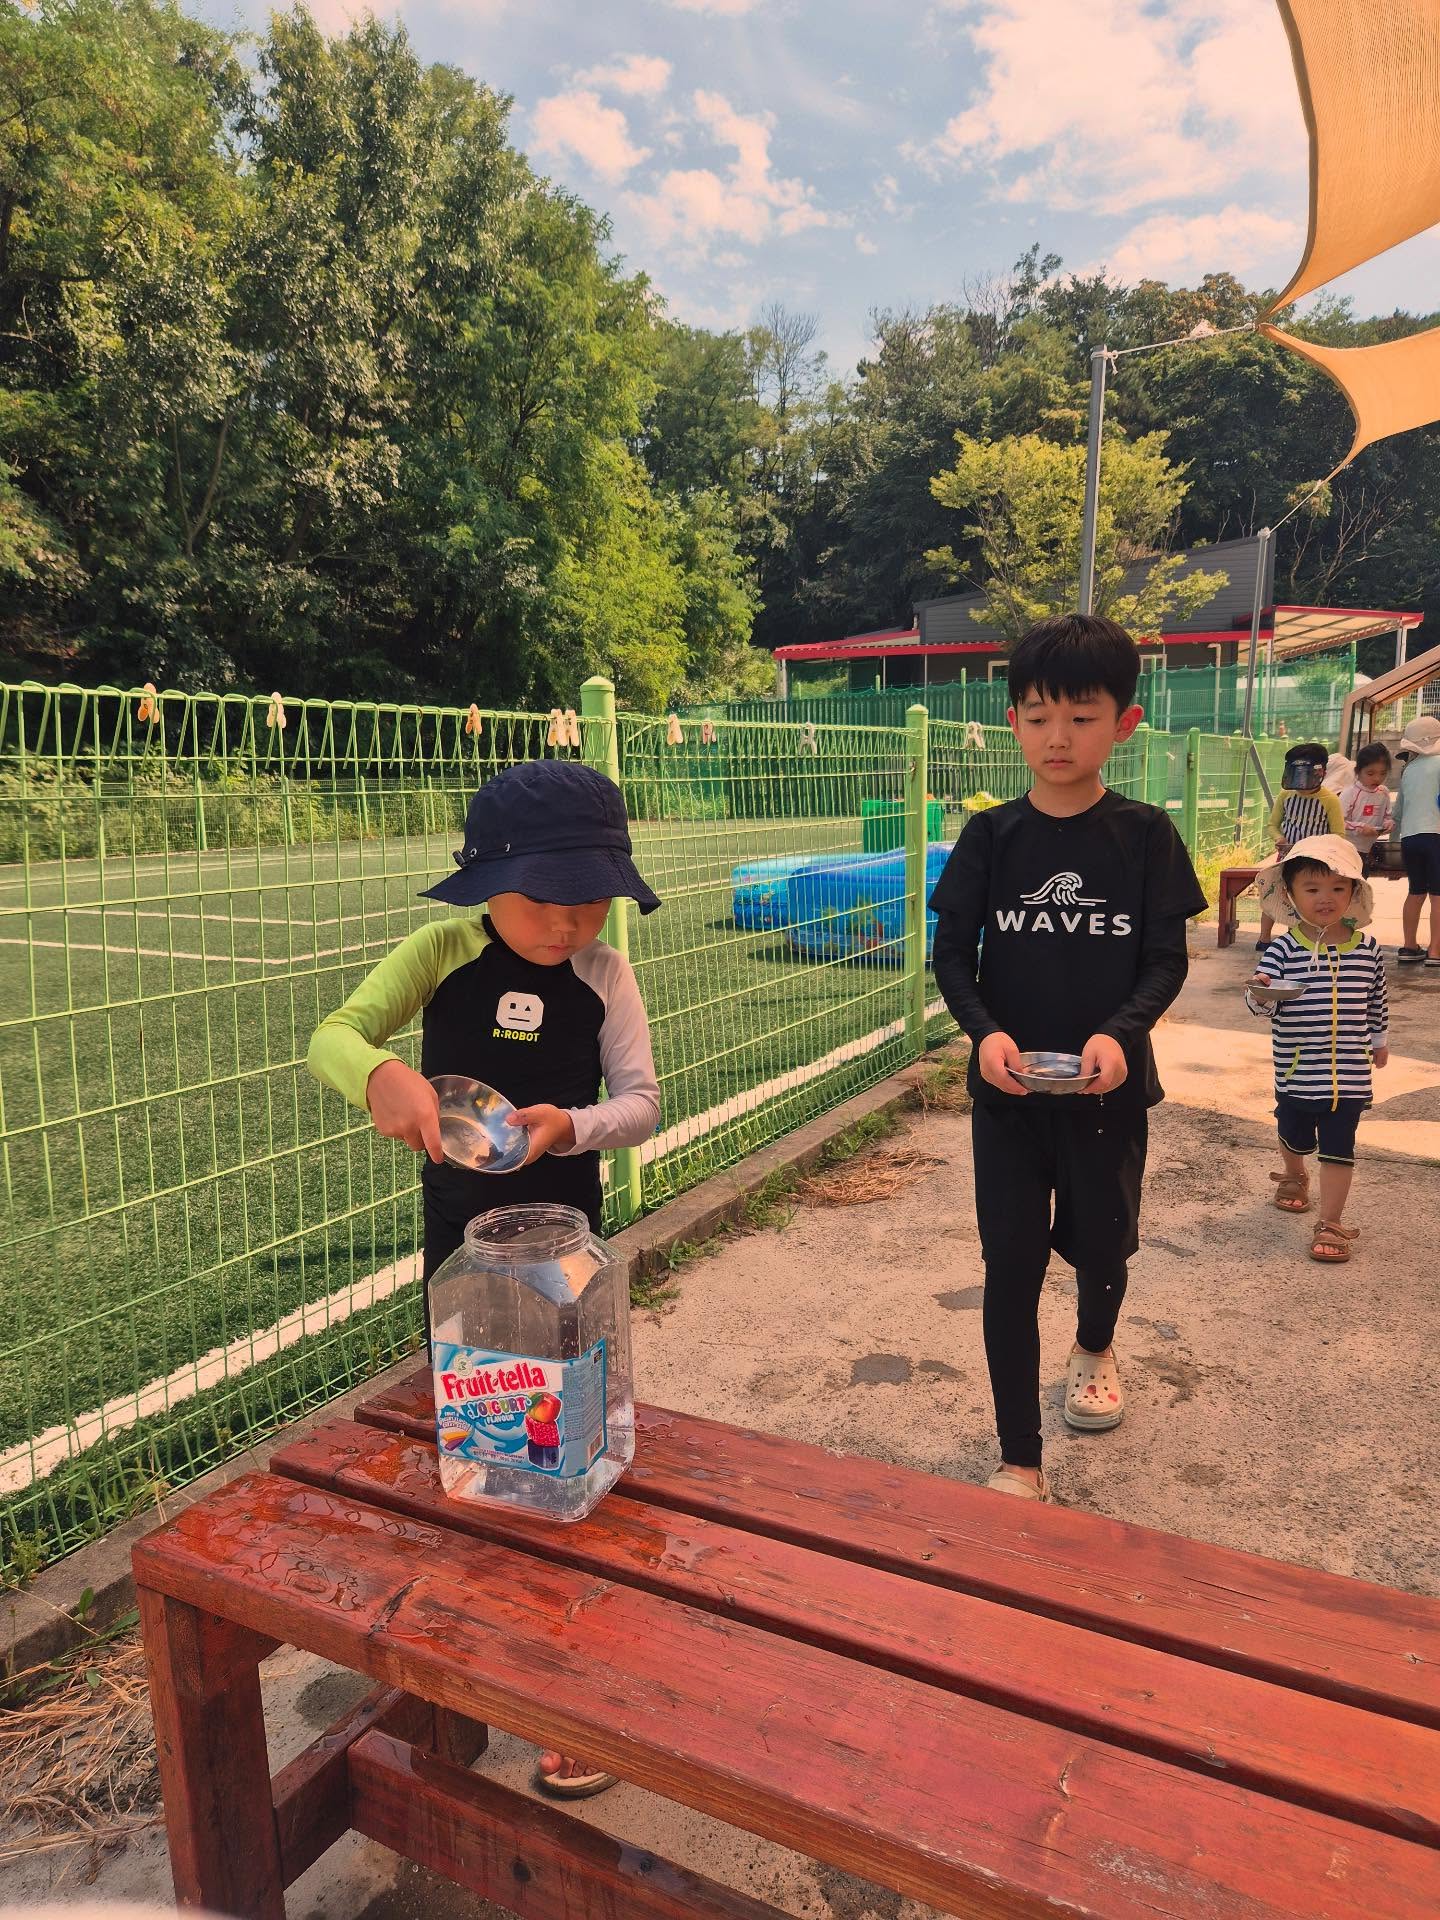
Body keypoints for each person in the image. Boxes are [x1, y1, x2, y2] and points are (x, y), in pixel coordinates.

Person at [308, 757, 661, 1798]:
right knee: (476, 1448)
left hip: (567, 1259)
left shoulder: (605, 972)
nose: (568, 921)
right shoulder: (440, 952)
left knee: (567, 1457)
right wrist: (380, 1072)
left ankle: (567, 1687)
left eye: (590, 897)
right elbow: (333, 1036)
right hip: (461, 1251)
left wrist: (572, 1126)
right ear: (487, 882)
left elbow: (641, 1101)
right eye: (544, 896)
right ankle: (462, 1669)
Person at [930, 614, 1207, 1504]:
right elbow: (952, 955)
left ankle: (1095, 1345)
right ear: (1012, 720)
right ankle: (1020, 1459)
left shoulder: (1146, 835)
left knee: (1102, 1247)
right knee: (1009, 1265)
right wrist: (985, 1033)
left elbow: (1165, 961)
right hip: (1008, 1098)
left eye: (1082, 718)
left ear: (1123, 723)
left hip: (1105, 1097)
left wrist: (1119, 1034)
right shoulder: (990, 837)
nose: (1059, 737)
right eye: (1040, 715)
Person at [1247, 835, 1388, 1263]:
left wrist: (1379, 1041)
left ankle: (1330, 1222)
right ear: (1291, 894)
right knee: (1293, 1134)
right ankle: (1294, 1173)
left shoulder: (1368, 950)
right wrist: (1260, 991)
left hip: (1350, 1074)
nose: (1325, 898)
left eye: (1337, 888)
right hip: (1297, 1071)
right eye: (1312, 888)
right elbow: (1260, 1002)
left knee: (1339, 1148)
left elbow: (1376, 1000)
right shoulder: (1283, 948)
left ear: (1353, 892)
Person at [1256, 741, 1344, 951]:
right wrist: (1279, 838)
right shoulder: (1285, 796)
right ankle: (1264, 939)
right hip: (1286, 857)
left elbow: (1339, 834)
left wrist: (1321, 848)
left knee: (1303, 901)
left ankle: (1296, 941)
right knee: (1273, 895)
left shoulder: (1330, 800)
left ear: (1320, 772)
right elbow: (1272, 825)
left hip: (1314, 862)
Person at [1392, 714, 1440, 965]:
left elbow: (1398, 812)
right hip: (1436, 835)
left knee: (1416, 892)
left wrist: (1393, 840)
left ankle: (1409, 947)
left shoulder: (1408, 770)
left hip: (1410, 838)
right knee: (1438, 896)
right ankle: (1436, 950)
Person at [1338, 742, 1394, 873]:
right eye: (1370, 773)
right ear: (1358, 771)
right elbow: (1338, 822)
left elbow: (1387, 815)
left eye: (1383, 773)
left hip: (1369, 849)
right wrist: (1360, 827)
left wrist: (1388, 824)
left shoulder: (1383, 792)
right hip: (1348, 849)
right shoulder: (1350, 793)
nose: (1377, 778)